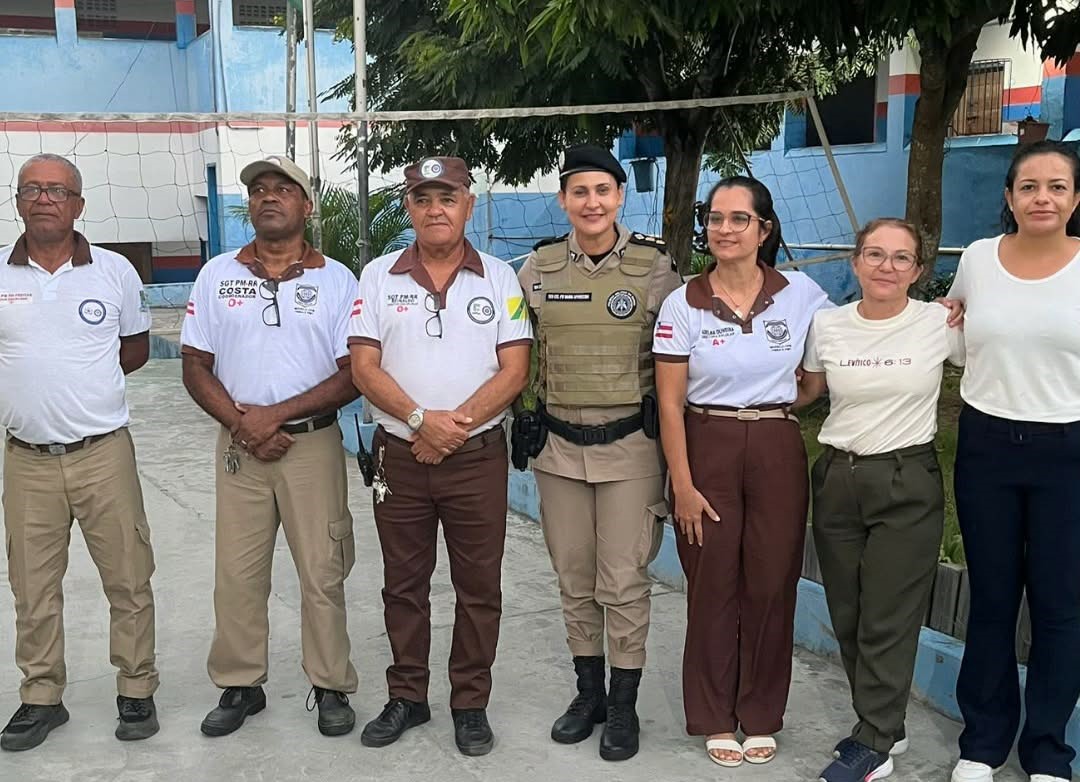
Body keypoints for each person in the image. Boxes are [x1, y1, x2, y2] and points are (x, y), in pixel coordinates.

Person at [349, 156, 531, 757]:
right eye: (423, 199)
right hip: (400, 456)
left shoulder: (501, 278)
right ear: (408, 207)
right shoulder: (376, 276)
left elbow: (515, 368)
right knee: (404, 585)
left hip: (476, 457)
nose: (435, 209)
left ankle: (470, 702)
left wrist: (455, 426)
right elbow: (363, 366)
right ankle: (407, 695)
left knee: (479, 586)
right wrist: (421, 421)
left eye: (447, 198)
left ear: (468, 205)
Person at [180, 155, 361, 738]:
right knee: (237, 572)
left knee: (322, 570)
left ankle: (330, 685)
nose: (269, 197)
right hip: (240, 450)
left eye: (284, 189)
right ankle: (240, 684)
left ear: (307, 205)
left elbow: (352, 372)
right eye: (259, 189)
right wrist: (242, 424)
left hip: (311, 447)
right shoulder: (216, 276)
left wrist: (273, 416)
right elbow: (194, 364)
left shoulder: (337, 280)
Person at [653, 175, 830, 767]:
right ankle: (710, 713)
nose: (723, 230)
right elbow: (670, 402)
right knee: (711, 584)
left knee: (771, 582)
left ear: (764, 228)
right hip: (706, 443)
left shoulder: (802, 294)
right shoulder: (683, 301)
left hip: (777, 444)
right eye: (715, 219)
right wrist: (682, 482)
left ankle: (759, 714)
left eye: (738, 219)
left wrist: (770, 405)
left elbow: (816, 376)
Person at [515, 144, 682, 762]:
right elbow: (512, 348)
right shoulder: (534, 270)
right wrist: (520, 413)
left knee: (625, 581)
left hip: (631, 451)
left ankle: (624, 705)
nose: (591, 202)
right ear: (563, 199)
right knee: (574, 581)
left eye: (603, 191)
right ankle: (587, 694)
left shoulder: (656, 268)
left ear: (620, 197)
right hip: (558, 450)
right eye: (579, 191)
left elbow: (681, 354)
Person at [0, 153, 159, 751]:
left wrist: (82, 387)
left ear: (79, 204)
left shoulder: (114, 271)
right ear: (18, 203)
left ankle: (137, 690)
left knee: (129, 577)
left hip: (102, 453)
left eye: (57, 190)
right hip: (25, 459)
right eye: (32, 189)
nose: (44, 199)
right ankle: (41, 697)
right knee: (32, 587)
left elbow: (136, 348)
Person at [797, 218, 965, 782]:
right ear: (855, 261)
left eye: (900, 258)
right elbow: (806, 389)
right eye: (874, 254)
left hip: (905, 479)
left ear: (919, 269)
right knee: (848, 612)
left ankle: (873, 740)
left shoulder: (941, 323)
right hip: (839, 477)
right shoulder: (827, 325)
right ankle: (882, 723)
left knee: (887, 618)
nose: (886, 267)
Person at [946, 139, 1080, 782]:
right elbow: (957, 334)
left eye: (1057, 186)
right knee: (993, 598)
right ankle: (983, 742)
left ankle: (1048, 750)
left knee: (1060, 605)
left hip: (1069, 452)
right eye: (1029, 186)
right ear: (1009, 197)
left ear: (1076, 198)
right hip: (988, 443)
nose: (1042, 198)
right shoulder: (977, 260)